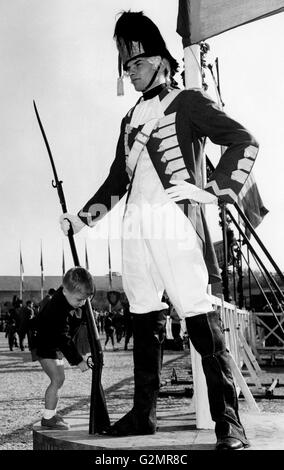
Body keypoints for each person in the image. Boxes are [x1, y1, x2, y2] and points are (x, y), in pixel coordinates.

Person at [60, 11, 259, 450]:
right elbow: (117, 181)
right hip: (135, 225)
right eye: (125, 68)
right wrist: (82, 217)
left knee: (200, 319)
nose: (129, 74)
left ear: (159, 61)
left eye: (135, 64)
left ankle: (230, 424)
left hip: (174, 222)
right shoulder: (129, 119)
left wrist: (217, 190)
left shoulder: (187, 101)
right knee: (143, 316)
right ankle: (143, 413)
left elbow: (244, 140)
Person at [33, 267, 94, 430]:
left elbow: (81, 313)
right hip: (46, 344)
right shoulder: (56, 308)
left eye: (84, 299)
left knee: (60, 379)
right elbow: (62, 337)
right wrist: (78, 360)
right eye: (79, 300)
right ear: (65, 291)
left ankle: (51, 413)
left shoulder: (69, 297)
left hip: (53, 343)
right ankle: (48, 418)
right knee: (57, 379)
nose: (82, 303)